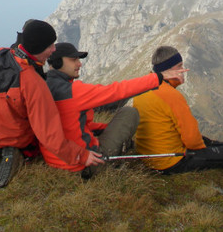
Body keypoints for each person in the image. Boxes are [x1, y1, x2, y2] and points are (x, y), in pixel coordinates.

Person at [0, 19, 104, 189]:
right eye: (50, 46)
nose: (53, 50)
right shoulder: (33, 82)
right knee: (31, 143)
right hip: (13, 137)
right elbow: (48, 134)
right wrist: (80, 155)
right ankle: (14, 155)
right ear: (37, 49)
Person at [42, 42, 187, 178]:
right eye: (74, 60)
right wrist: (158, 77)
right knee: (129, 113)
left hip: (55, 161)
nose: (79, 64)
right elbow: (117, 91)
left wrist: (105, 128)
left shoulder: (44, 86)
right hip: (83, 165)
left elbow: (70, 124)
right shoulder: (73, 91)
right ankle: (114, 161)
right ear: (57, 62)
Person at [133, 45, 223, 173]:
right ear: (168, 70)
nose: (183, 69)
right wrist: (206, 152)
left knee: (213, 143)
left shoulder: (143, 87)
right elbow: (192, 140)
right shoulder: (170, 95)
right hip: (170, 163)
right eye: (179, 66)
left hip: (149, 157)